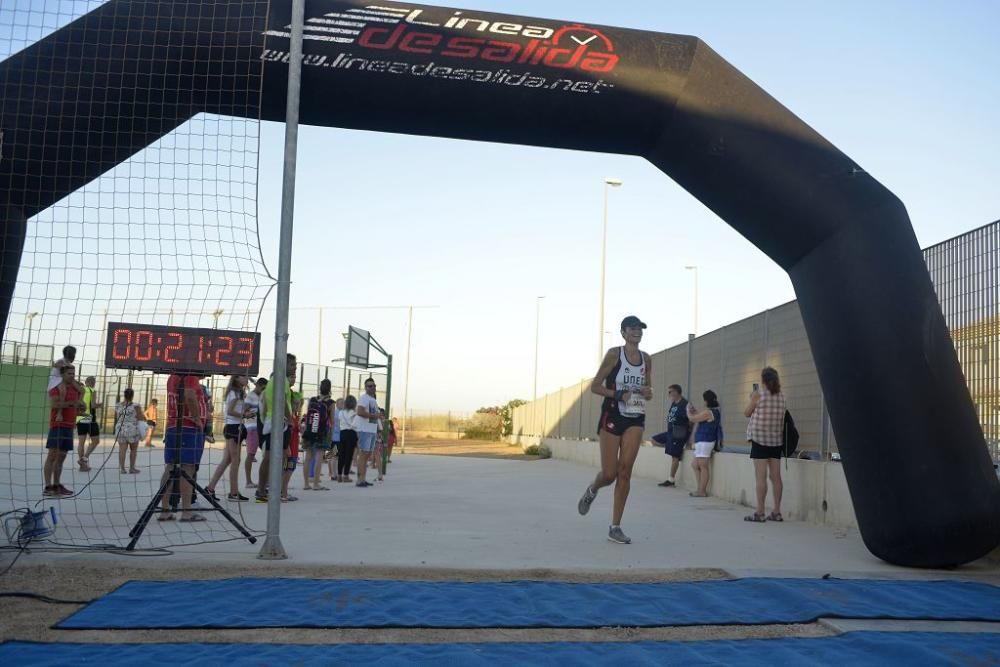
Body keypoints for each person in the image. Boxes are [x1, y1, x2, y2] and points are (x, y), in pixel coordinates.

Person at [577, 315, 654, 544]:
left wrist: (647, 392)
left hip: (635, 417)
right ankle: (593, 488)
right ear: (623, 332)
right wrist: (619, 394)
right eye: (632, 328)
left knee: (625, 472)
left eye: (640, 328)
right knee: (609, 474)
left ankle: (615, 527)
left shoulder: (647, 359)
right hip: (612, 414)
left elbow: (648, 387)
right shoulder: (614, 354)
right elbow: (595, 386)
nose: (637, 332)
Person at [158, 372, 207, 522]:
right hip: (188, 428)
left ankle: (165, 509)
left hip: (173, 426)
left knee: (170, 467)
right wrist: (197, 419)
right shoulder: (189, 374)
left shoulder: (172, 376)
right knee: (188, 468)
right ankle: (187, 511)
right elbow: (190, 395)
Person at [744, 367, 787, 523]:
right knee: (776, 477)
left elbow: (747, 413)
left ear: (763, 380)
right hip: (776, 440)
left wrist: (752, 399)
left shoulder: (758, 394)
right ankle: (777, 512)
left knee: (760, 477)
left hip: (759, 439)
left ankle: (760, 512)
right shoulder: (782, 395)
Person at [256, 354, 296, 504]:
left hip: (272, 422)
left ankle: (267, 489)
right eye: (292, 365)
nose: (294, 368)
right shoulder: (282, 380)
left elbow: (267, 404)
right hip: (279, 423)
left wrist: (265, 420)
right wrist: (290, 419)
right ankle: (277, 490)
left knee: (275, 457)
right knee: (284, 457)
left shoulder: (274, 381)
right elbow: (283, 402)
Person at [205, 375, 249, 502]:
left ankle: (210, 488)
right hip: (233, 428)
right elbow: (230, 411)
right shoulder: (234, 393)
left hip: (235, 426)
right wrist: (245, 414)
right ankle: (233, 492)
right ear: (236, 379)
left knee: (227, 460)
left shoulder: (238, 393)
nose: (246, 379)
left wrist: (246, 409)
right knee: (236, 460)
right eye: (243, 377)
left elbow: (235, 409)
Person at [44, 364, 83, 497]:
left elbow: (78, 406)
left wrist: (80, 407)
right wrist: (70, 404)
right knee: (52, 455)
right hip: (57, 425)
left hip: (69, 426)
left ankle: (57, 485)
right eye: (69, 374)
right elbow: (54, 404)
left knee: (61, 457)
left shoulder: (76, 388)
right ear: (62, 374)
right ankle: (48, 487)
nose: (72, 376)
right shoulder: (56, 387)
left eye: (73, 374)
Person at [687, 390, 721, 497]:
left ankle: (702, 491)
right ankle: (700, 489)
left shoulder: (709, 412)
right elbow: (699, 416)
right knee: (695, 465)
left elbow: (693, 419)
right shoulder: (711, 412)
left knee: (703, 466)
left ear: (706, 401)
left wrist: (688, 410)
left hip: (706, 441)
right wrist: (694, 411)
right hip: (702, 441)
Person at [302, 379, 334, 491]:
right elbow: (332, 421)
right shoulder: (330, 403)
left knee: (308, 458)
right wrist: (331, 435)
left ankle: (306, 484)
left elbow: (307, 417)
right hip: (321, 433)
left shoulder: (312, 400)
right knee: (319, 457)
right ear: (330, 389)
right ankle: (316, 484)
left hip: (310, 431)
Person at [657, 384, 691, 487]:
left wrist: (689, 435)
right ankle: (674, 448)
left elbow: (693, 418)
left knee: (674, 457)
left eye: (670, 392)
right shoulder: (674, 403)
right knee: (654, 440)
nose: (669, 394)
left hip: (679, 432)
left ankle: (671, 480)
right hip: (671, 431)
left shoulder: (685, 404)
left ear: (676, 392)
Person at [355, 378, 380, 488]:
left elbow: (375, 415)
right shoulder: (364, 398)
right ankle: (360, 480)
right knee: (363, 455)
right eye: (369, 386)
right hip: (364, 430)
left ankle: (363, 479)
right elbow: (359, 412)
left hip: (371, 430)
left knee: (367, 455)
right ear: (365, 388)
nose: (372, 388)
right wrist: (374, 416)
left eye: (374, 385)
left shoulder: (373, 400)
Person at [114, 388, 145, 474]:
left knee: (122, 449)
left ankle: (122, 468)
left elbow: (118, 417)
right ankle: (132, 468)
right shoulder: (136, 406)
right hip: (132, 429)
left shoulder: (118, 405)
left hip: (120, 428)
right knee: (133, 449)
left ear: (124, 395)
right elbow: (140, 418)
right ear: (132, 396)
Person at [243, 377, 266, 489]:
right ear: (257, 385)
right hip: (252, 428)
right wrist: (252, 413)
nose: (263, 390)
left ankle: (264, 480)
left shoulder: (261, 396)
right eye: (262, 388)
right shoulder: (250, 396)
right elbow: (245, 411)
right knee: (251, 455)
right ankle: (248, 481)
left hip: (260, 427)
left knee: (266, 453)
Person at [76, 376, 103, 472]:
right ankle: (84, 459)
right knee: (96, 441)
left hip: (79, 418)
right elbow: (93, 405)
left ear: (86, 382)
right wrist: (101, 404)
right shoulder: (92, 391)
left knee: (81, 443)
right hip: (90, 419)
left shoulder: (80, 390)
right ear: (93, 383)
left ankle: (82, 466)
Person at [337, 396, 359, 483]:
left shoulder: (340, 413)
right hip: (351, 433)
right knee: (349, 455)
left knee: (341, 455)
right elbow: (355, 425)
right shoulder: (354, 413)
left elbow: (340, 421)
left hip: (342, 433)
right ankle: (346, 475)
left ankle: (339, 475)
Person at [326, 397, 344, 482]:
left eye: (344, 403)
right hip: (336, 438)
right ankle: (333, 474)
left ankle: (333, 473)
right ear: (337, 404)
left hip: (339, 438)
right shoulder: (338, 413)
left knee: (334, 457)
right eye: (341, 403)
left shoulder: (341, 412)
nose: (343, 405)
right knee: (334, 457)